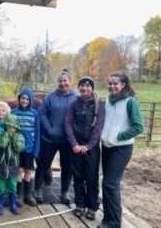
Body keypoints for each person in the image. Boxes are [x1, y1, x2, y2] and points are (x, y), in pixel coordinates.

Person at [98, 71, 143, 228]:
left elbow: (138, 126)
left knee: (110, 183)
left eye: (115, 83)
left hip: (121, 149)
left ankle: (114, 222)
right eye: (110, 83)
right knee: (107, 183)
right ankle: (108, 218)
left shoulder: (130, 102)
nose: (112, 86)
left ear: (123, 84)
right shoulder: (108, 101)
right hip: (107, 147)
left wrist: (119, 136)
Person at [34, 68, 77, 204]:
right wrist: (49, 129)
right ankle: (37, 190)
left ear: (70, 82)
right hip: (49, 138)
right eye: (60, 81)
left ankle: (64, 192)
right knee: (43, 164)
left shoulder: (76, 98)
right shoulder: (50, 97)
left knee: (67, 166)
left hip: (68, 140)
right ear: (57, 82)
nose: (62, 83)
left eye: (65, 81)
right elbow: (42, 113)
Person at [64, 76, 105, 220]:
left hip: (91, 147)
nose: (84, 88)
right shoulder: (73, 104)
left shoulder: (99, 105)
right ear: (78, 87)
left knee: (92, 178)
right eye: (82, 85)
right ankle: (80, 204)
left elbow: (98, 126)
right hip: (75, 147)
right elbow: (68, 124)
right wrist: (74, 144)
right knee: (78, 176)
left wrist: (88, 146)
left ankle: (93, 206)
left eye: (88, 86)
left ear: (92, 88)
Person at [12, 87, 40, 207]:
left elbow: (38, 133)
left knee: (28, 170)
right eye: (22, 98)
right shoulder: (13, 113)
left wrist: (36, 150)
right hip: (17, 148)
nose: (24, 101)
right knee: (18, 170)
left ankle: (28, 194)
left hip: (29, 147)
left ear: (30, 100)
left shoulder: (35, 114)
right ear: (19, 99)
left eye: (27, 99)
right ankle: (20, 194)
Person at [0, 114, 24, 215]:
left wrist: (14, 137)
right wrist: (6, 135)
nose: (11, 128)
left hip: (13, 166)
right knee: (0, 184)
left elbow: (19, 148)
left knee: (12, 184)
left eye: (13, 127)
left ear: (16, 127)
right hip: (1, 165)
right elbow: (1, 144)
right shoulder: (1, 134)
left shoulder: (19, 136)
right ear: (5, 126)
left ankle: (12, 204)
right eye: (8, 126)